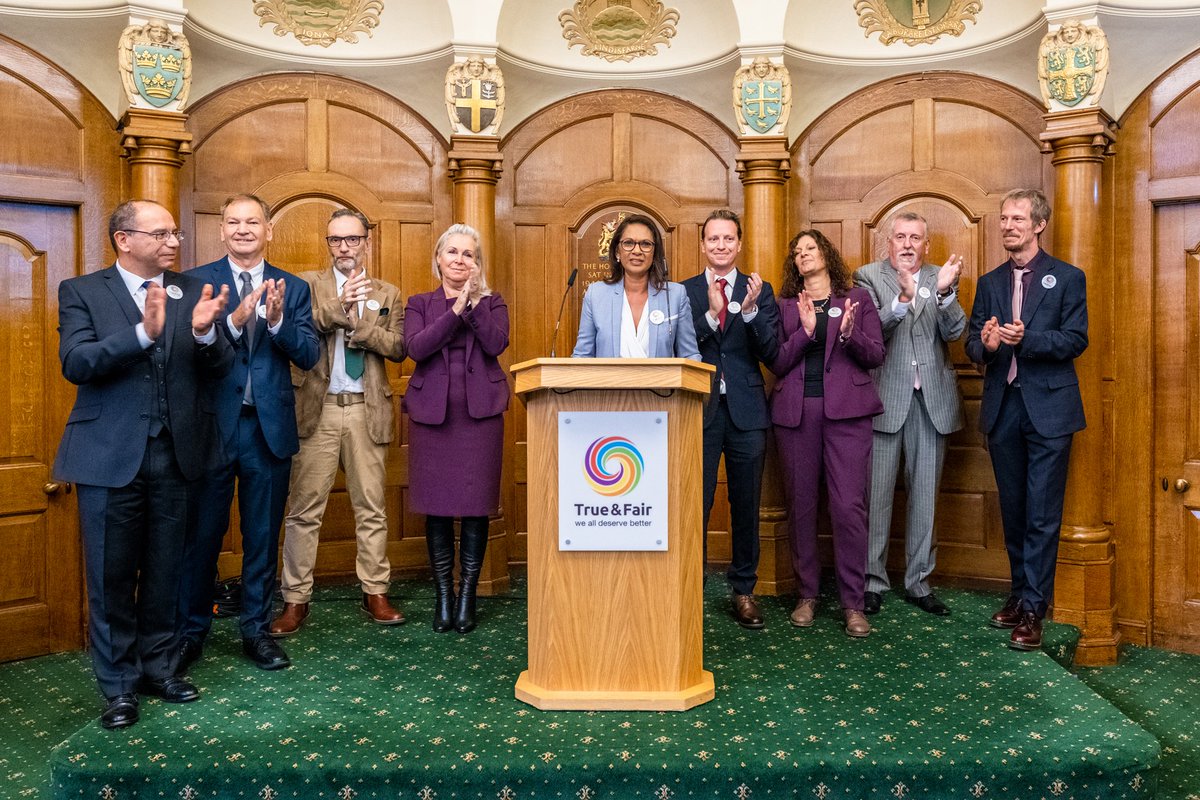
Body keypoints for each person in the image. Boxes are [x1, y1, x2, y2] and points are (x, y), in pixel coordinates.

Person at [53, 200, 232, 728]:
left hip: (176, 452)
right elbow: (77, 363)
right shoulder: (81, 291)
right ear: (123, 239)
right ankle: (119, 687)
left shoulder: (186, 291)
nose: (172, 241)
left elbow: (218, 368)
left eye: (174, 232)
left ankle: (160, 667)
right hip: (108, 456)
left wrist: (203, 333)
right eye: (160, 233)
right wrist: (141, 335)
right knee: (110, 576)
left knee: (165, 569)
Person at [178, 194, 319, 672]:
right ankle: (190, 633)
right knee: (202, 536)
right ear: (221, 230)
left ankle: (256, 632)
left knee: (262, 537)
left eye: (252, 222)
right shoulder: (195, 282)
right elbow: (186, 354)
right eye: (234, 222)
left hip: (268, 430)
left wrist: (277, 321)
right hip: (212, 429)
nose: (243, 229)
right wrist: (234, 323)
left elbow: (309, 355)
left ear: (269, 230)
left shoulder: (294, 288)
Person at [272, 209, 407, 637]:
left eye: (352, 239)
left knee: (371, 507)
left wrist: (364, 329)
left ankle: (375, 591)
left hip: (367, 409)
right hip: (319, 408)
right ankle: (296, 599)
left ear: (367, 242)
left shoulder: (388, 291)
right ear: (328, 244)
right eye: (336, 240)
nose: (345, 248)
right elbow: (295, 330)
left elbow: (400, 347)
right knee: (304, 510)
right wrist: (339, 306)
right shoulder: (306, 285)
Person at [965, 189, 1087, 651]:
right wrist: (990, 345)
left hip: (1050, 410)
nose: (1008, 226)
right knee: (1014, 510)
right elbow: (975, 344)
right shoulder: (990, 280)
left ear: (1039, 225)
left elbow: (1076, 339)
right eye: (1003, 219)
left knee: (1042, 513)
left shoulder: (1068, 277)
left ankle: (1035, 608)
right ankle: (1018, 595)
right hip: (1004, 409)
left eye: (1018, 219)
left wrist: (1028, 338)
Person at [769, 229, 885, 637]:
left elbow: (876, 355)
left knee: (848, 508)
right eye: (797, 251)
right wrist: (805, 331)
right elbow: (778, 362)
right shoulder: (785, 306)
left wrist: (849, 334)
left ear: (826, 254)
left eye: (810, 248)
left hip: (848, 416)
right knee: (801, 506)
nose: (803, 255)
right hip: (796, 415)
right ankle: (807, 595)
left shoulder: (858, 299)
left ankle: (853, 603)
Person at [854, 212, 966, 617]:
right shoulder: (867, 276)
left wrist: (944, 294)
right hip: (885, 400)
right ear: (888, 243)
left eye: (915, 238)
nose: (906, 244)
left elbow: (955, 332)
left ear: (926, 245)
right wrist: (905, 300)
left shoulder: (942, 275)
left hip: (932, 403)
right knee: (877, 497)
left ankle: (919, 582)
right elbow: (870, 334)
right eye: (899, 237)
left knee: (925, 499)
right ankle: (872, 581)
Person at [403, 224, 510, 633]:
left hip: (479, 419)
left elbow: (496, 344)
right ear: (438, 259)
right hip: (433, 418)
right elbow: (417, 347)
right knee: (437, 508)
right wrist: (454, 311)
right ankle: (443, 596)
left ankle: (467, 596)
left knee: (475, 507)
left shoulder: (492, 303)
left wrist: (473, 305)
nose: (460, 260)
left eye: (469, 254)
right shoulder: (419, 303)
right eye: (453, 252)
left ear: (477, 264)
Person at [681, 209, 779, 629]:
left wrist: (752, 313)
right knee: (694, 505)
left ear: (739, 244)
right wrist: (709, 315)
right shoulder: (681, 292)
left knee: (746, 505)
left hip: (747, 411)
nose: (720, 246)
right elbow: (676, 348)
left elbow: (773, 354)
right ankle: (690, 589)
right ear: (703, 245)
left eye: (728, 239)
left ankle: (743, 590)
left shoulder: (760, 289)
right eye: (713, 239)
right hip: (698, 410)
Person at [572, 213, 700, 360]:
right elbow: (583, 355)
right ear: (617, 251)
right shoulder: (596, 294)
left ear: (654, 253)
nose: (637, 251)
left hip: (662, 383)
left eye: (645, 244)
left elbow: (690, 354)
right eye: (628, 243)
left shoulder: (675, 295)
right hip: (608, 383)